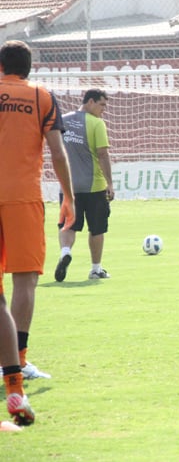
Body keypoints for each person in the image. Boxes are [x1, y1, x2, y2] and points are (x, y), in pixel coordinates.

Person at [0, 40, 75, 424]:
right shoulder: (41, 96)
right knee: (25, 282)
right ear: (28, 68)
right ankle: (18, 364)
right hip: (22, 199)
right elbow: (58, 153)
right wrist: (68, 198)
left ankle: (10, 366)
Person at [54, 89, 115, 282]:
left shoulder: (62, 120)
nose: (104, 110)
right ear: (90, 102)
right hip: (94, 185)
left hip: (68, 186)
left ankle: (65, 252)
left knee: (68, 225)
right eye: (102, 105)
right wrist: (110, 183)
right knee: (97, 228)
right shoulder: (96, 123)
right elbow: (103, 154)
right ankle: (96, 269)